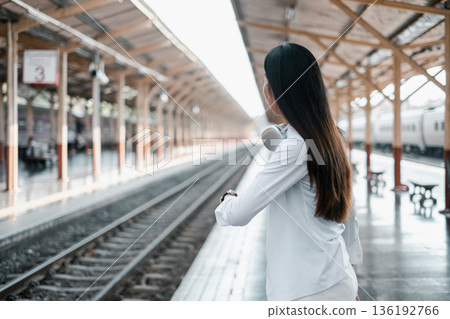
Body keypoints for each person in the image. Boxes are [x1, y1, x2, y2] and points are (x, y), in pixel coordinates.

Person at [214, 43, 363, 301]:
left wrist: (227, 198)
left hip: (307, 289)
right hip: (337, 279)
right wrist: (350, 277)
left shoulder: (295, 147)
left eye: (265, 81)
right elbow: (349, 211)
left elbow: (238, 215)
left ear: (274, 91)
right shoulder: (333, 136)